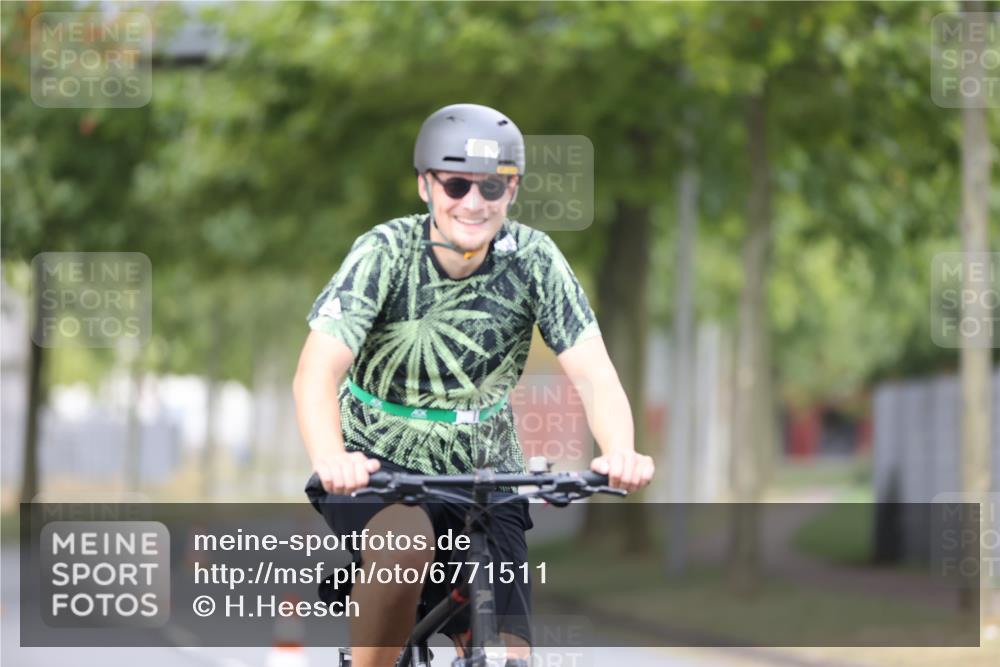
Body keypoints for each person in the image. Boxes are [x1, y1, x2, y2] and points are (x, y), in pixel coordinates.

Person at [294, 103, 654, 667]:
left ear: (512, 191)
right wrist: (331, 457)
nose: (473, 202)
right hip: (378, 458)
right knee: (404, 542)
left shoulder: (534, 260)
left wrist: (620, 450)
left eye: (492, 186)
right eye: (456, 183)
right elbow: (317, 371)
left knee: (510, 657)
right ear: (424, 185)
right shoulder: (384, 253)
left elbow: (593, 372)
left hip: (485, 470)